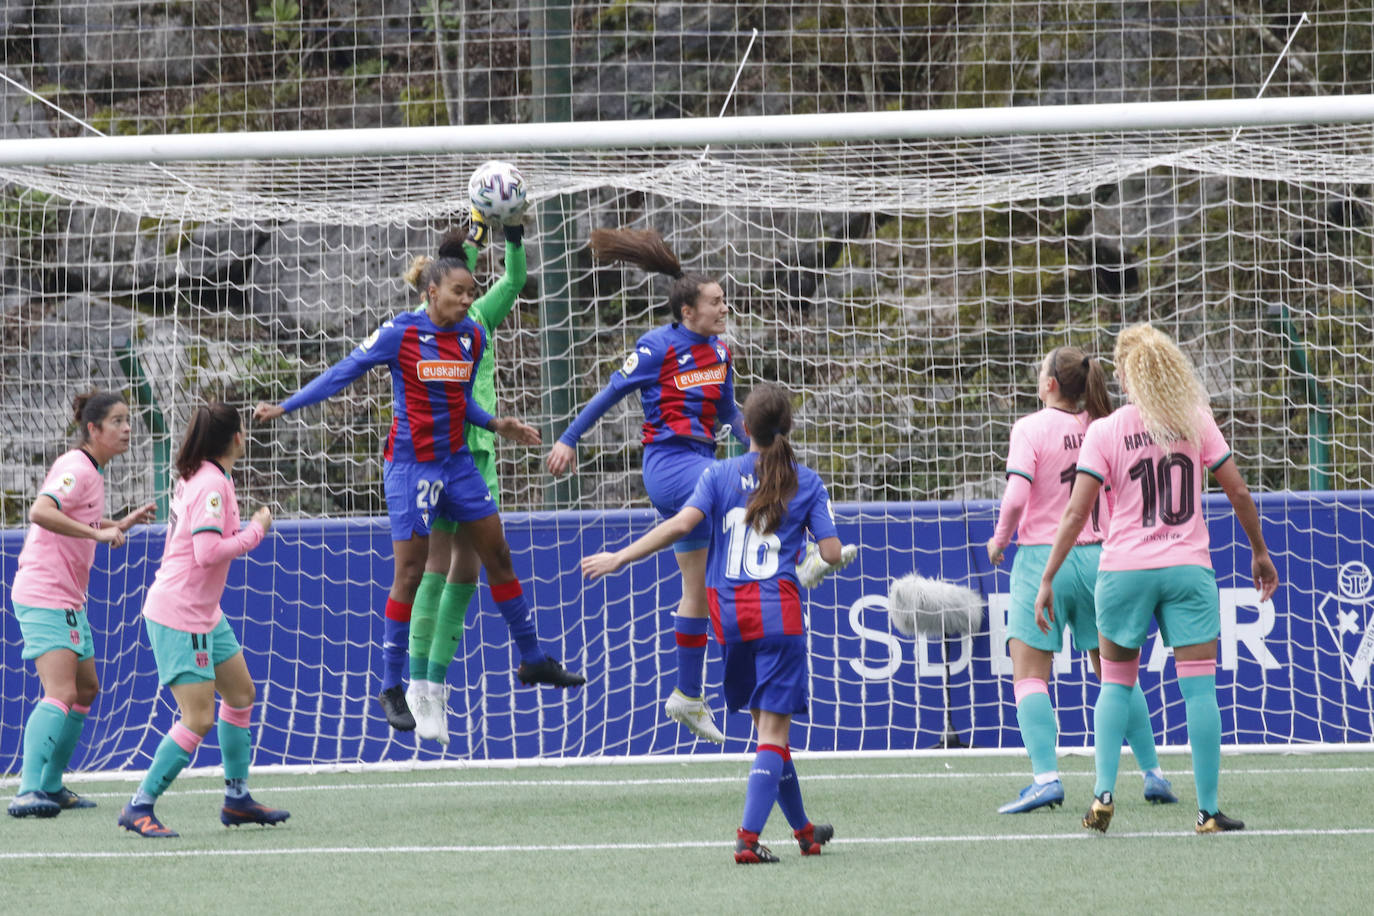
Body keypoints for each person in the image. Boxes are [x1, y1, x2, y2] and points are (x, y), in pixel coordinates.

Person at [254, 221, 583, 734]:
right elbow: (343, 371)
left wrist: (498, 423)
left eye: (471, 292)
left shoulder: (472, 335)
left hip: (457, 464)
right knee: (410, 573)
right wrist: (287, 405)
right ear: (432, 292)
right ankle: (392, 684)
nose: (466, 299)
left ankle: (532, 656)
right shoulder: (400, 333)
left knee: (497, 554)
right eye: (458, 292)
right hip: (411, 469)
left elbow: (463, 402)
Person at [549, 227, 855, 744]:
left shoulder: (720, 354)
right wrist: (569, 439)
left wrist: (766, 442)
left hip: (706, 461)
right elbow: (608, 394)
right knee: (734, 494)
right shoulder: (655, 348)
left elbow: (731, 415)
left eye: (724, 300)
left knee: (698, 586)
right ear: (688, 311)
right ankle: (797, 559)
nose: (724, 307)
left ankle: (687, 695)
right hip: (670, 466)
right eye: (715, 301)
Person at [1034, 323, 1279, 835]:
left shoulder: (1106, 430)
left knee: (1115, 684)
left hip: (1124, 569)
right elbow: (1236, 490)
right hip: (1188, 568)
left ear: (1124, 375)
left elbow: (1077, 514)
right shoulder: (1195, 420)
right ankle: (1208, 811)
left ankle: (1102, 796)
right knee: (1200, 691)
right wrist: (1259, 550)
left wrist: (1049, 574)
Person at [583, 383, 837, 863]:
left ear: (744, 430)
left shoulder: (719, 474)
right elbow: (827, 553)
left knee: (767, 728)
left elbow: (679, 525)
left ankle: (804, 831)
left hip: (730, 618)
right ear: (790, 429)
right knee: (774, 735)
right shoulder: (806, 482)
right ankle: (747, 838)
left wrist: (619, 557)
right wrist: (826, 558)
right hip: (777, 616)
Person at [986, 346, 1176, 814]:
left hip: (1041, 559)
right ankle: (1153, 773)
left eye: (1040, 369)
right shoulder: (1103, 426)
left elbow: (1014, 498)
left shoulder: (1030, 428)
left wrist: (998, 540)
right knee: (1114, 674)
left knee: (1030, 677)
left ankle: (1047, 778)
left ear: (1050, 383)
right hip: (1098, 557)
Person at [118, 403, 288, 838]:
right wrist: (257, 529)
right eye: (244, 430)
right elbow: (207, 552)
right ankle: (139, 806)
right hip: (180, 614)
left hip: (204, 613)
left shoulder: (206, 476)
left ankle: (237, 799)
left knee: (242, 693)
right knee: (198, 718)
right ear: (235, 438)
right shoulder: (211, 483)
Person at [6, 391, 156, 818]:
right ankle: (27, 790)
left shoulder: (91, 470)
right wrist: (98, 535)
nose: (127, 428)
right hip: (44, 592)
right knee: (62, 690)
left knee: (86, 688)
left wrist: (116, 523)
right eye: (117, 421)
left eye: (128, 420)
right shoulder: (76, 467)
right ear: (93, 429)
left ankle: (50, 786)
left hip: (67, 596)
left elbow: (79, 519)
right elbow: (40, 511)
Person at [405, 214, 523, 745]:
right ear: (439, 283)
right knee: (434, 563)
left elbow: (515, 280)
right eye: (462, 281)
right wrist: (479, 232)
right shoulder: (421, 320)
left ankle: (436, 681)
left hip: (479, 454)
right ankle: (419, 684)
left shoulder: (478, 314)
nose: (469, 290)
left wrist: (513, 233)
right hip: (438, 453)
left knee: (468, 572)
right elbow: (465, 270)